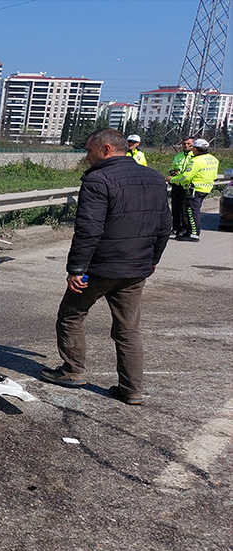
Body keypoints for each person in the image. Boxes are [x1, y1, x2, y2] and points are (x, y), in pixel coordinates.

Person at [40, 128, 171, 406]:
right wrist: (153, 259)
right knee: (128, 329)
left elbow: (88, 229)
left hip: (99, 268)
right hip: (136, 268)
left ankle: (72, 371)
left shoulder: (99, 179)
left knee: (71, 315)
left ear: (107, 149)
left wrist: (76, 268)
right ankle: (131, 390)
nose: (87, 157)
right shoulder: (155, 178)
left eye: (89, 151)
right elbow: (164, 226)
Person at [166, 137, 219, 242]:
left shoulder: (196, 161)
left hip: (195, 189)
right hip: (206, 187)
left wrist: (172, 179)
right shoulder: (213, 159)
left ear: (195, 149)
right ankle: (188, 231)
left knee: (191, 212)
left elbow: (186, 177)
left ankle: (193, 234)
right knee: (192, 210)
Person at [166, 137, 194, 238]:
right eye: (184, 144)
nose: (186, 146)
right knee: (175, 207)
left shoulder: (194, 156)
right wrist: (172, 171)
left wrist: (180, 173)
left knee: (184, 208)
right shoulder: (179, 155)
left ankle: (184, 228)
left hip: (186, 185)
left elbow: (190, 171)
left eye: (189, 144)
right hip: (176, 183)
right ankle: (175, 227)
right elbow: (173, 166)